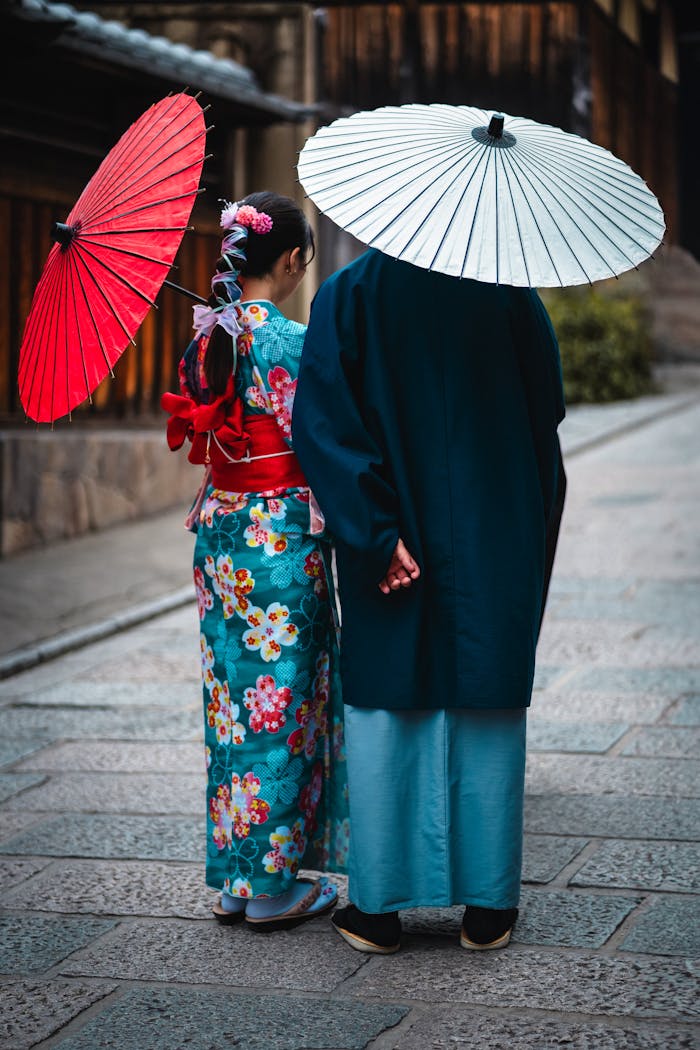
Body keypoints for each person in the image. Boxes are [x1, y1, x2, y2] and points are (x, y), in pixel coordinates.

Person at [291, 247, 566, 953]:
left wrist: (375, 535)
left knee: (391, 701)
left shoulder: (350, 294)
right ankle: (489, 908)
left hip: (392, 539)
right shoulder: (510, 296)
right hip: (494, 524)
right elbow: (547, 414)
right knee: (486, 694)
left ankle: (379, 909)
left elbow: (323, 425)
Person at [161, 192, 347, 932]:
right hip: (277, 540)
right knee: (280, 703)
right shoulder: (289, 342)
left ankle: (237, 879)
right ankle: (271, 888)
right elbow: (323, 441)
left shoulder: (207, 333)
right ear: (295, 258)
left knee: (234, 704)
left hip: (222, 534)